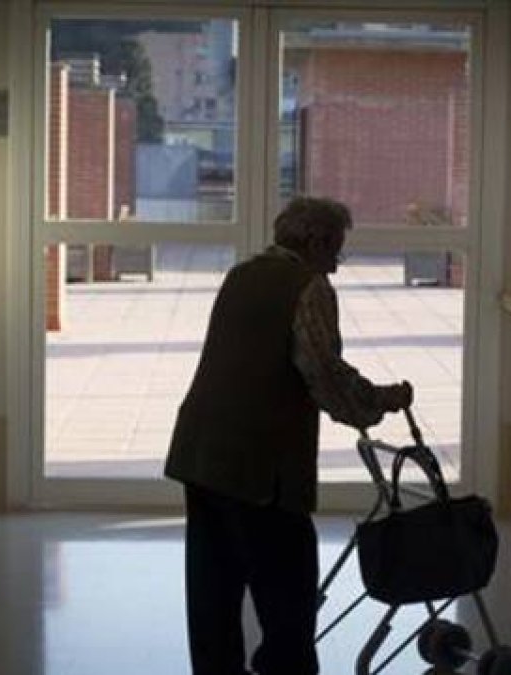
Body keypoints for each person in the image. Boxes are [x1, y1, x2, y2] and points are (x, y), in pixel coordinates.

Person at [165, 196, 413, 675]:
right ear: (317, 242)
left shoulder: (242, 275)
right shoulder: (308, 287)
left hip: (200, 453)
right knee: (288, 603)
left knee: (213, 590)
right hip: (261, 470)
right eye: (337, 251)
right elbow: (324, 375)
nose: (337, 266)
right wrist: (380, 400)